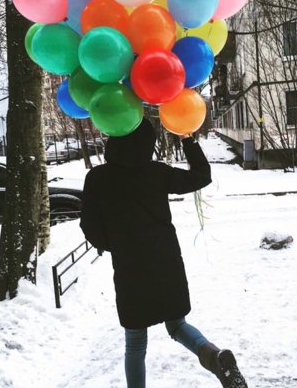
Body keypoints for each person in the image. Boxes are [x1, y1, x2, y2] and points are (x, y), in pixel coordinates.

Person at [79, 118, 248, 388]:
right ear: (148, 142)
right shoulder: (157, 173)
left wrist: (115, 244)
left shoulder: (97, 178)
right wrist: (187, 139)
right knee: (177, 324)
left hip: (129, 268)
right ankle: (215, 358)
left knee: (135, 343)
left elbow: (89, 225)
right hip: (166, 262)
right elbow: (202, 175)